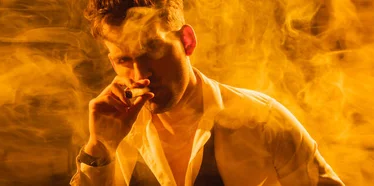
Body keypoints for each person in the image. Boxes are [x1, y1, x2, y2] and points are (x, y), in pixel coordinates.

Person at [70, 0, 345, 185]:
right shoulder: (114, 136)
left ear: (187, 41)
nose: (141, 75)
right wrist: (99, 148)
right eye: (124, 60)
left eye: (152, 50)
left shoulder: (264, 120)